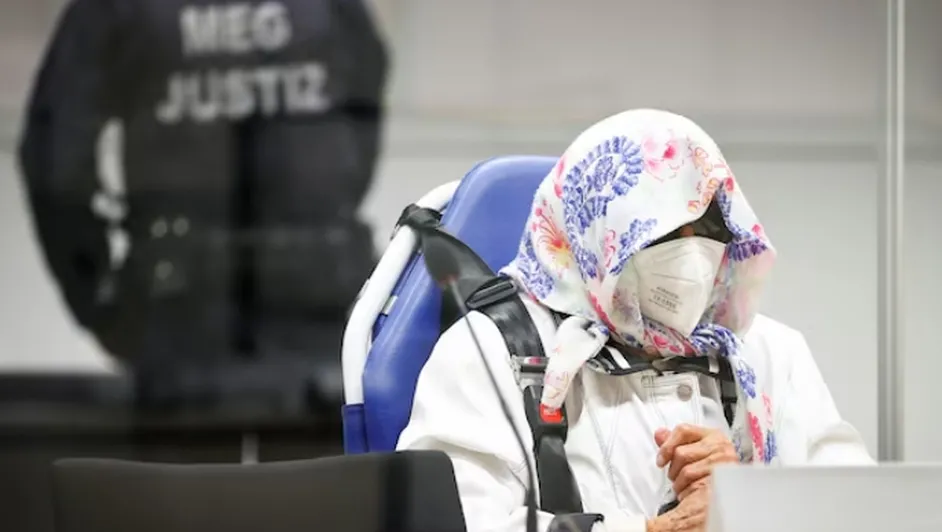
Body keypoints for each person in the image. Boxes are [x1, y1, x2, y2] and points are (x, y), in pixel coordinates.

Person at [396, 109, 873, 532]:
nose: (693, 251)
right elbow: (447, 519)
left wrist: (751, 499)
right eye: (665, 230)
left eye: (709, 225)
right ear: (600, 231)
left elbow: (863, 511)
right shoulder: (495, 351)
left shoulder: (768, 353)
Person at [18, 0, 388, 407]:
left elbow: (56, 160)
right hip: (316, 312)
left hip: (177, 317)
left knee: (184, 449)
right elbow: (362, 108)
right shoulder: (329, 8)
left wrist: (100, 296)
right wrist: (321, 212)